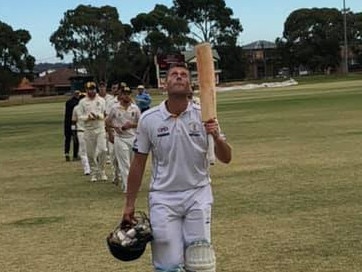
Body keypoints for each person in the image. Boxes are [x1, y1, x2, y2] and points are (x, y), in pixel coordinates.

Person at [121, 63, 232, 271]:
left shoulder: (205, 115)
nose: (179, 77)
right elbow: (138, 164)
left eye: (184, 75)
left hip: (198, 193)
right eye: (174, 75)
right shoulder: (149, 119)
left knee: (201, 262)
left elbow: (226, 158)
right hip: (163, 197)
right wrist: (129, 204)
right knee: (168, 264)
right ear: (165, 84)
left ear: (190, 85)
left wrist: (216, 135)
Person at [106, 87, 140, 192]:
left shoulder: (135, 108)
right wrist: (114, 129)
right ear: (120, 96)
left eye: (129, 94)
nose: (127, 96)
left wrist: (131, 125)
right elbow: (107, 122)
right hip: (120, 138)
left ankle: (132, 184)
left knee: (132, 163)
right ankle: (127, 186)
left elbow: (141, 124)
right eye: (125, 94)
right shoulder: (115, 108)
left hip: (132, 138)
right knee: (125, 164)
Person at [77, 81, 108, 182]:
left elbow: (105, 114)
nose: (92, 91)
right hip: (88, 129)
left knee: (103, 150)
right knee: (90, 153)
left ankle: (102, 171)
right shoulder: (82, 102)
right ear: (86, 90)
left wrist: (98, 116)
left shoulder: (102, 100)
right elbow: (80, 116)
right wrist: (88, 118)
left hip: (100, 128)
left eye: (93, 89)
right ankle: (94, 172)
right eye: (89, 89)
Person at [71, 93, 91, 176]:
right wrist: (73, 132)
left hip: (90, 131)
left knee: (91, 150)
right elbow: (73, 121)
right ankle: (87, 169)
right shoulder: (76, 108)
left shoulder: (90, 107)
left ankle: (93, 166)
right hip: (80, 131)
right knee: (83, 151)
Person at [63, 90, 80, 161]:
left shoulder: (68, 102)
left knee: (67, 139)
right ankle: (75, 155)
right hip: (74, 123)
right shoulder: (78, 103)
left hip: (67, 123)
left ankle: (66, 153)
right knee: (76, 139)